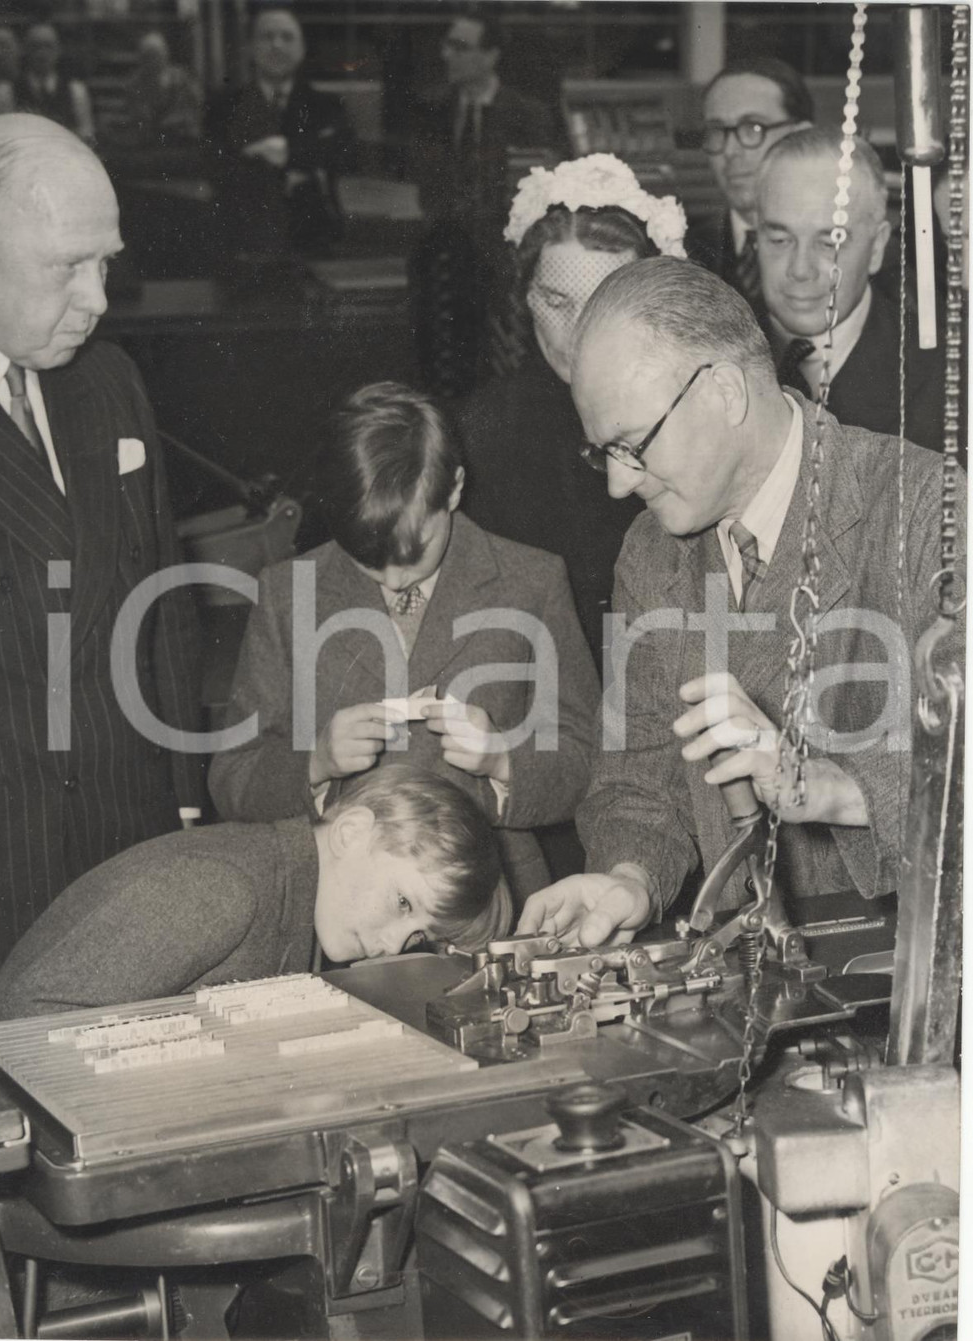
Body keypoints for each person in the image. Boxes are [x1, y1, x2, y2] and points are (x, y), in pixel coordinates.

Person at [516, 257, 965, 948]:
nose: (614, 482)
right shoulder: (649, 552)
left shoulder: (929, 512)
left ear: (724, 390)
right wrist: (629, 878)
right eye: (602, 452)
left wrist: (835, 785)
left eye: (631, 446)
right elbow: (641, 781)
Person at [209, 381, 599, 905]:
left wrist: (504, 760)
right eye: (366, 557)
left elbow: (591, 762)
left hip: (492, 902)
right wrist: (314, 763)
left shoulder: (533, 584)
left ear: (454, 488)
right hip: (334, 909)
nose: (393, 581)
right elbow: (231, 775)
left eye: (414, 551)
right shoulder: (286, 594)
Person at [0, 114, 205, 988]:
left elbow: (167, 602)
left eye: (104, 260)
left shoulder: (107, 382)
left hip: (127, 844)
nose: (98, 297)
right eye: (66, 266)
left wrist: (185, 793)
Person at [0, 766, 509, 1023]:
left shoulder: (294, 894)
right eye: (402, 904)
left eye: (417, 934)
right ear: (350, 833)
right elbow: (23, 1023)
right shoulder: (225, 890)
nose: (395, 946)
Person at [459, 152, 687, 666]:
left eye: (604, 299)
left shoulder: (691, 415)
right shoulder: (484, 428)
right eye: (557, 303)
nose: (580, 332)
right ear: (524, 296)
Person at [756, 127, 945, 452]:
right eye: (780, 240)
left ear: (877, 248)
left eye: (830, 243)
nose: (800, 269)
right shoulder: (708, 358)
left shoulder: (943, 379)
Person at [410, 8, 563, 396]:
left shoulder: (529, 115)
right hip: (447, 266)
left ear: (490, 56)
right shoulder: (432, 111)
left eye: (461, 47)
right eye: (447, 45)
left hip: (504, 264)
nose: (448, 55)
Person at [205, 6, 355, 262]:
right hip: (242, 248)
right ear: (250, 48)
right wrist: (301, 165)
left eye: (287, 37)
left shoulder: (326, 106)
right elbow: (215, 166)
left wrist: (283, 154)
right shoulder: (224, 106)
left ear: (302, 48)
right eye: (267, 36)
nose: (276, 45)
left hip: (312, 245)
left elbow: (342, 155)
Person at [687, 57, 813, 313]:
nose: (731, 151)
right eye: (717, 131)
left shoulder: (848, 251)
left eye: (753, 128)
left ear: (802, 137)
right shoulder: (685, 253)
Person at [0, 23, 96, 145]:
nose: (42, 54)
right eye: (35, 47)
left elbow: (87, 135)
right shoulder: (6, 91)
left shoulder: (76, 91)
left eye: (48, 46)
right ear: (25, 50)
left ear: (58, 50)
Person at [120, 31, 202, 149]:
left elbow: (195, 109)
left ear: (166, 54)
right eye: (149, 55)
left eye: (157, 54)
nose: (154, 60)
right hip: (149, 142)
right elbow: (137, 116)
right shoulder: (134, 84)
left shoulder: (183, 79)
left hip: (181, 139)